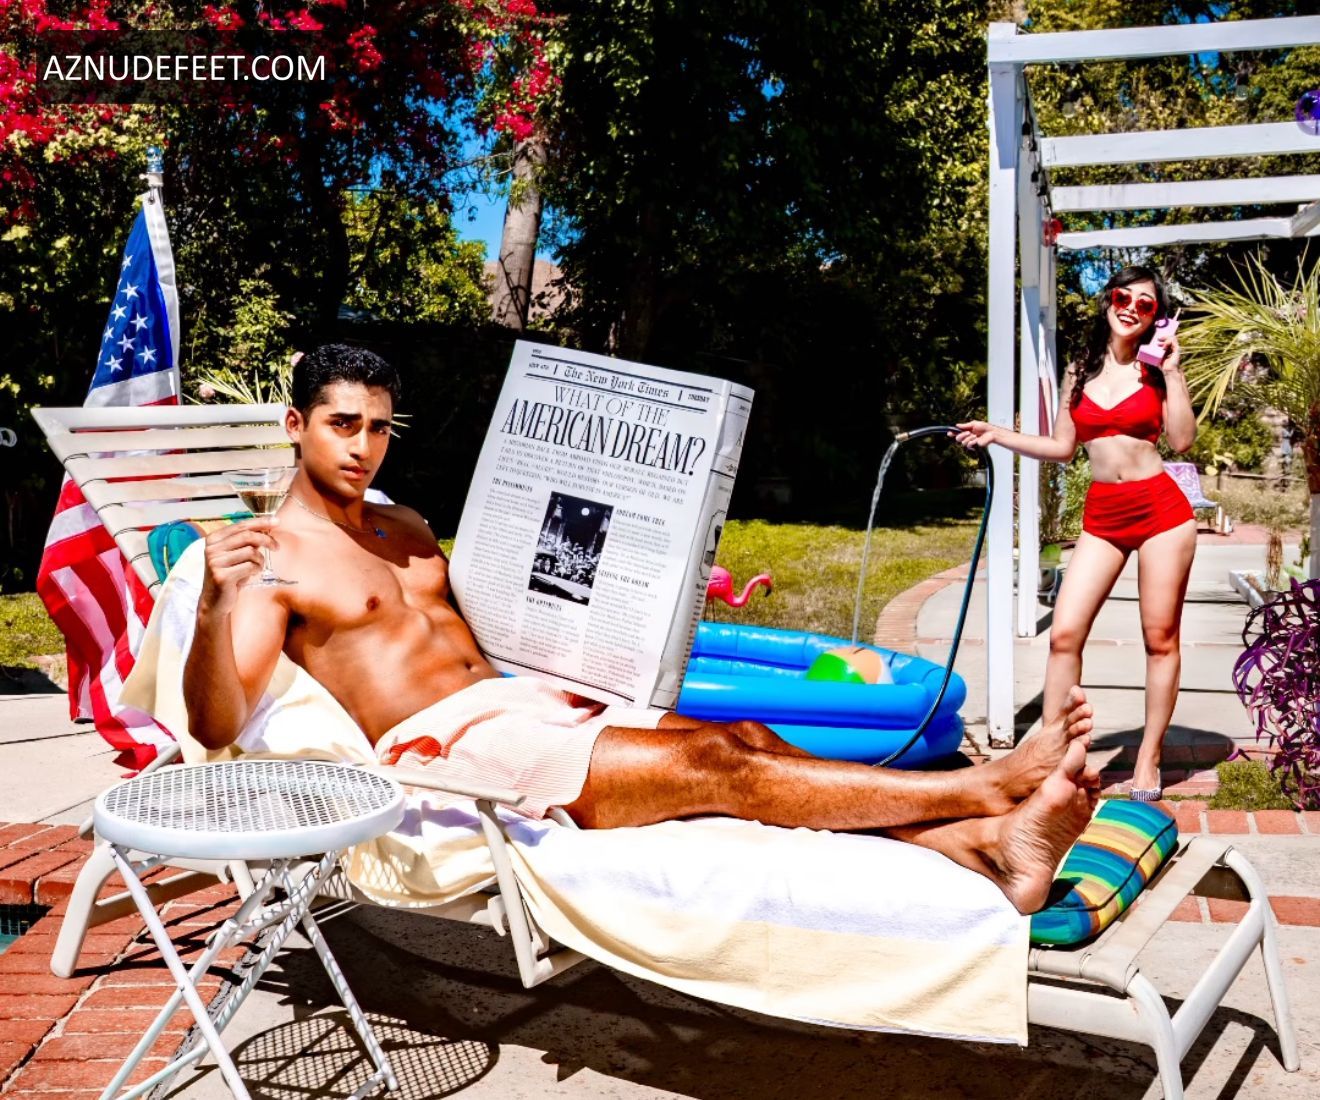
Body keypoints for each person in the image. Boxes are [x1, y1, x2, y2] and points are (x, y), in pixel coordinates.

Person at [184, 344, 1101, 916]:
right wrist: (214, 610)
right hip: (456, 752)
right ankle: (979, 790)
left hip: (531, 701)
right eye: (343, 425)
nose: (363, 446)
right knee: (718, 766)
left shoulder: (407, 526)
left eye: (381, 428)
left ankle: (982, 850)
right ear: (296, 424)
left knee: (751, 737)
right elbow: (216, 724)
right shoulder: (270, 561)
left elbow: (509, 603)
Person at [954, 266, 1197, 801]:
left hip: (1161, 513)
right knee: (1063, 635)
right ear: (1108, 301)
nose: (1131, 308)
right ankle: (1053, 754)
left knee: (1160, 639)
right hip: (1104, 515)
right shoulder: (1080, 369)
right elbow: (1062, 447)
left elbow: (1182, 440)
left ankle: (1149, 757)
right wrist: (998, 434)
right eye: (1123, 296)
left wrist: (1174, 372)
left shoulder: (1157, 372)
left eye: (1146, 304)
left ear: (1156, 317)